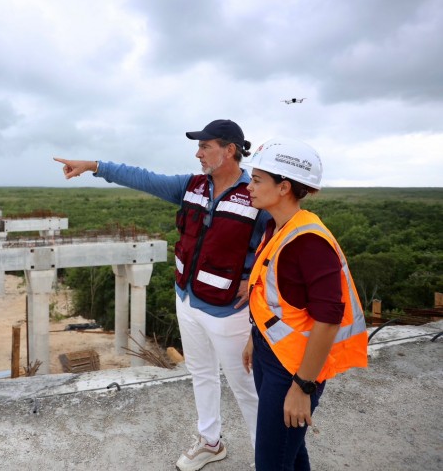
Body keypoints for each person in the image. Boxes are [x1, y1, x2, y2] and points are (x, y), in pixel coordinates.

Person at [55, 119, 269, 471]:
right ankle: (210, 442)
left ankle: (268, 458)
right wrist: (94, 166)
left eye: (205, 146)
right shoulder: (192, 186)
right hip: (187, 298)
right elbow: (143, 177)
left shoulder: (256, 194)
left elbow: (280, 240)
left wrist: (256, 277)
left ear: (229, 150)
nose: (197, 153)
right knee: (200, 372)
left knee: (246, 387)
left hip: (229, 310)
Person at [241, 138, 368, 470]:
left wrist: (303, 387)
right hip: (271, 355)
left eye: (256, 180)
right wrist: (256, 339)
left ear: (283, 187)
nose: (249, 187)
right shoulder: (278, 228)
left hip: (295, 370)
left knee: (271, 462)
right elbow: (275, 300)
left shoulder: (308, 241)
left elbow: (328, 319)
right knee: (290, 452)